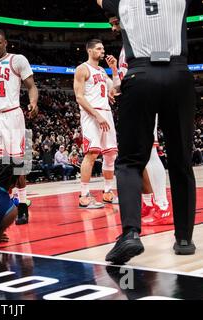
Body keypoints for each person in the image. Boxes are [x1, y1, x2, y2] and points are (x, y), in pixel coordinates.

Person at [97, 0, 197, 263]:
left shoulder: (121, 1)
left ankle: (130, 233)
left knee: (129, 162)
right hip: (178, 74)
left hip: (139, 75)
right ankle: (185, 239)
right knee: (181, 162)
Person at [107, 13, 172, 227]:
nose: (113, 29)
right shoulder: (126, 46)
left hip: (147, 96)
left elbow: (167, 57)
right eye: (111, 25)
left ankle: (162, 206)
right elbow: (124, 80)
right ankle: (149, 203)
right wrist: (116, 85)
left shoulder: (144, 37)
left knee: (150, 151)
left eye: (115, 23)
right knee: (140, 154)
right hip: (133, 100)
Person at [0, 28, 39, 225]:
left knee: (17, 164)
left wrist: (33, 102)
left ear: (6, 43)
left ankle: (22, 206)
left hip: (11, 115)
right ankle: (0, 208)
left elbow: (31, 86)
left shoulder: (17, 60)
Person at [73, 39, 119, 209]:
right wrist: (97, 115)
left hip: (106, 113)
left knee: (110, 154)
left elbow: (116, 89)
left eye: (103, 48)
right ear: (89, 50)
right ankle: (84, 196)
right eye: (99, 48)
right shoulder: (82, 69)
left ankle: (107, 192)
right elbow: (79, 97)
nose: (102, 51)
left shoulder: (101, 70)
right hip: (92, 114)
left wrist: (114, 69)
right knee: (92, 153)